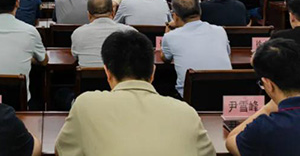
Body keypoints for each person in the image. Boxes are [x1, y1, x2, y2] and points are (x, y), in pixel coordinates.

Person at [57, 30, 215, 156]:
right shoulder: (187, 113)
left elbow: (62, 150)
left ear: (107, 72)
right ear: (153, 73)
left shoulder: (86, 105)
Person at [161, 0, 231, 97]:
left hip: (191, 96)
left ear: (175, 16)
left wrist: (168, 29)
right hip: (225, 94)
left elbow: (165, 58)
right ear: (200, 11)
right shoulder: (220, 31)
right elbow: (228, 54)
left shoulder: (170, 37)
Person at [71, 0, 136, 67]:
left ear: (89, 15)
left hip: (88, 74)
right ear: (113, 13)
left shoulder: (78, 33)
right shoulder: (130, 32)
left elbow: (75, 56)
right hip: (120, 74)